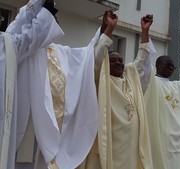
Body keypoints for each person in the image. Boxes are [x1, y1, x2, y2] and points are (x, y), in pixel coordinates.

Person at [6, 1, 111, 168]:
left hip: (51, 127)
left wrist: (105, 32)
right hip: (27, 123)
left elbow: (87, 59)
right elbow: (19, 25)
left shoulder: (60, 52)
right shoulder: (20, 45)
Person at [78, 11, 154, 169]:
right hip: (109, 141)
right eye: (113, 61)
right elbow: (98, 54)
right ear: (106, 64)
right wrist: (109, 29)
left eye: (121, 60)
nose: (119, 63)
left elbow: (142, 59)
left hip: (129, 146)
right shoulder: (101, 79)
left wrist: (145, 31)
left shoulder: (130, 79)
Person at [0, 1, 62, 168]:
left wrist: (42, 5)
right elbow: (25, 36)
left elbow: (19, 26)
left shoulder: (5, 42)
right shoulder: (6, 45)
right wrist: (46, 9)